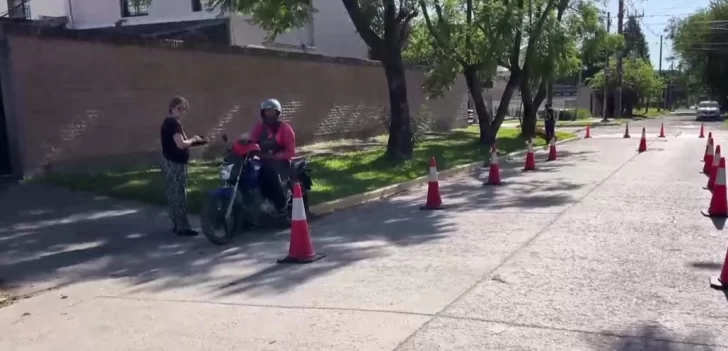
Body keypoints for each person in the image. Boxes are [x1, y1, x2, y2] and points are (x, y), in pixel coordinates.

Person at [160, 96, 204, 236]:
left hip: (170, 161)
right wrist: (194, 140)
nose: (182, 111)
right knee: (179, 194)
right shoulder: (173, 124)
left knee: (173, 193)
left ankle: (176, 223)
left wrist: (193, 141)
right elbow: (180, 144)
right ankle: (182, 227)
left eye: (184, 109)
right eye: (179, 108)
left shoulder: (168, 123)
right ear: (172, 108)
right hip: (176, 164)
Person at [248, 98, 296, 215]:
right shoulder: (259, 127)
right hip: (262, 159)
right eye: (267, 111)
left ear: (277, 113)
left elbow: (291, 151)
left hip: (281, 161)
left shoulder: (285, 128)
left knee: (268, 174)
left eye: (272, 111)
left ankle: (280, 204)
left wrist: (276, 156)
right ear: (263, 113)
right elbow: (252, 142)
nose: (269, 114)